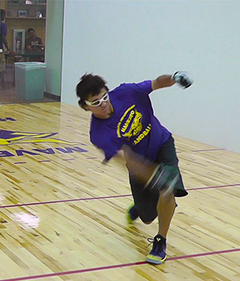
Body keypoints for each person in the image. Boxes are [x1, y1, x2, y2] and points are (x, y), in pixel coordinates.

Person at [76, 72, 193, 265]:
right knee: (147, 217)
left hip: (162, 144)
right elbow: (125, 160)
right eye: (96, 103)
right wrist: (153, 176)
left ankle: (160, 241)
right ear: (85, 107)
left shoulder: (128, 91)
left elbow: (156, 83)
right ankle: (140, 208)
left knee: (167, 191)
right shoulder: (98, 134)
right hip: (139, 164)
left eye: (104, 97)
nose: (103, 103)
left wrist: (174, 77)